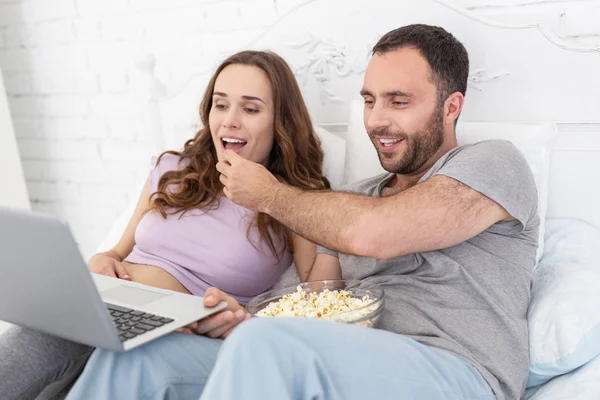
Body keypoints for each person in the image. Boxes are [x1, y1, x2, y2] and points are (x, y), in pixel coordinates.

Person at [67, 24, 538, 400]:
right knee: (137, 356)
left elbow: (370, 234)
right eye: (369, 101)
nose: (376, 120)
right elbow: (317, 299)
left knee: (264, 345)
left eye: (399, 101)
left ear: (451, 107)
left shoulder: (493, 163)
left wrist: (270, 195)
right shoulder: (352, 198)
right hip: (345, 357)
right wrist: (238, 321)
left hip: (455, 372)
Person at [0, 50, 333, 400]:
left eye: (250, 109)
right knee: (33, 341)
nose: (229, 121)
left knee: (111, 367)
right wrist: (102, 259)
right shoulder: (173, 169)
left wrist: (336, 216)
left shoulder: (291, 199)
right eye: (221, 105)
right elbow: (117, 250)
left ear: (281, 121)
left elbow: (317, 300)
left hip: (180, 336)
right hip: (109, 309)